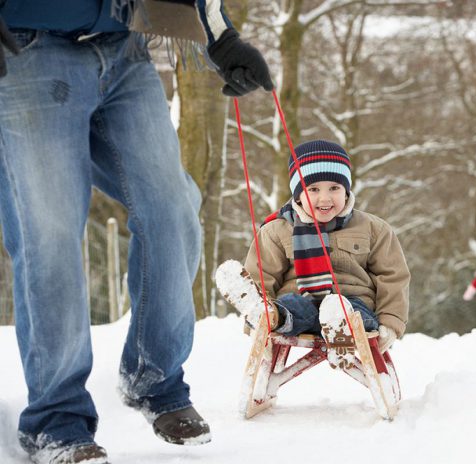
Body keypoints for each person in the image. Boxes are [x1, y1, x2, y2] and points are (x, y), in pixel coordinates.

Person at [0, 1, 272, 462]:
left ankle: (154, 376)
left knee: (173, 210)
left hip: (124, 51)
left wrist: (221, 38)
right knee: (50, 235)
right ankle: (56, 419)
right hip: (27, 52)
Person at [222, 140, 410, 367]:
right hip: (302, 310)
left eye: (334, 188)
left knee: (348, 311)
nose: (325, 198)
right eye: (313, 189)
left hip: (354, 308)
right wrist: (258, 325)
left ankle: (339, 329)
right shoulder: (277, 230)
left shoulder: (373, 228)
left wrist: (391, 321)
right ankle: (267, 314)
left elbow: (392, 276)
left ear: (347, 189)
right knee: (290, 306)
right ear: (298, 194)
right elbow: (264, 273)